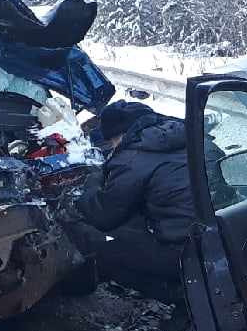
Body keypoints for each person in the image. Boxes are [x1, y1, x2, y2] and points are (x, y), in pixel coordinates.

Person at [73, 101, 195, 304]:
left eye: (111, 140)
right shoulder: (186, 134)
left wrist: (92, 182)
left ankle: (185, 300)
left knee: (105, 256)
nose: (112, 146)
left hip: (185, 249)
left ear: (120, 134)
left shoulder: (133, 158)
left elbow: (102, 216)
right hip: (217, 233)